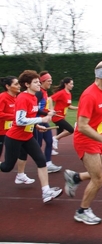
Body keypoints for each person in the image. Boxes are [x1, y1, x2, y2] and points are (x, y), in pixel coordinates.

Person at [63, 61, 102, 225]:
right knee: (98, 179)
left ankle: (75, 177)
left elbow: (100, 118)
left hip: (99, 137)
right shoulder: (89, 95)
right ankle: (82, 211)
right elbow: (82, 126)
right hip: (86, 141)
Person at [0, 70, 63, 202]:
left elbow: (29, 117)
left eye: (39, 82)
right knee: (7, 167)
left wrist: (35, 125)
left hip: (27, 136)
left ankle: (46, 192)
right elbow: (20, 120)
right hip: (14, 137)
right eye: (35, 82)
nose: (39, 84)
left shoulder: (34, 97)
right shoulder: (23, 98)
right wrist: (42, 120)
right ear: (27, 84)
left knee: (41, 161)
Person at [0, 76, 35, 185]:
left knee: (23, 152)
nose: (19, 86)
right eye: (16, 84)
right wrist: (14, 116)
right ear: (7, 86)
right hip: (2, 131)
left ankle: (20, 175)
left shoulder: (18, 98)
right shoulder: (2, 97)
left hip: (15, 132)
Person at [34, 71, 62, 173]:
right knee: (38, 144)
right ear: (43, 82)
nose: (51, 82)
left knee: (49, 141)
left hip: (44, 120)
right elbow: (34, 108)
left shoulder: (45, 92)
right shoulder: (39, 92)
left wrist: (49, 111)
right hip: (38, 121)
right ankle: (40, 165)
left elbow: (42, 108)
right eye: (49, 81)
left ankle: (48, 164)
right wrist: (47, 114)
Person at [49, 77, 78, 154]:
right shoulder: (61, 93)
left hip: (62, 116)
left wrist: (78, 108)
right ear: (66, 84)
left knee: (59, 133)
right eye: (71, 84)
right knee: (71, 130)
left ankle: (50, 149)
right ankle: (54, 138)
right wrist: (51, 109)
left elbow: (69, 106)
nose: (72, 85)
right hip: (57, 117)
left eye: (72, 84)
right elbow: (50, 99)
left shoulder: (69, 94)